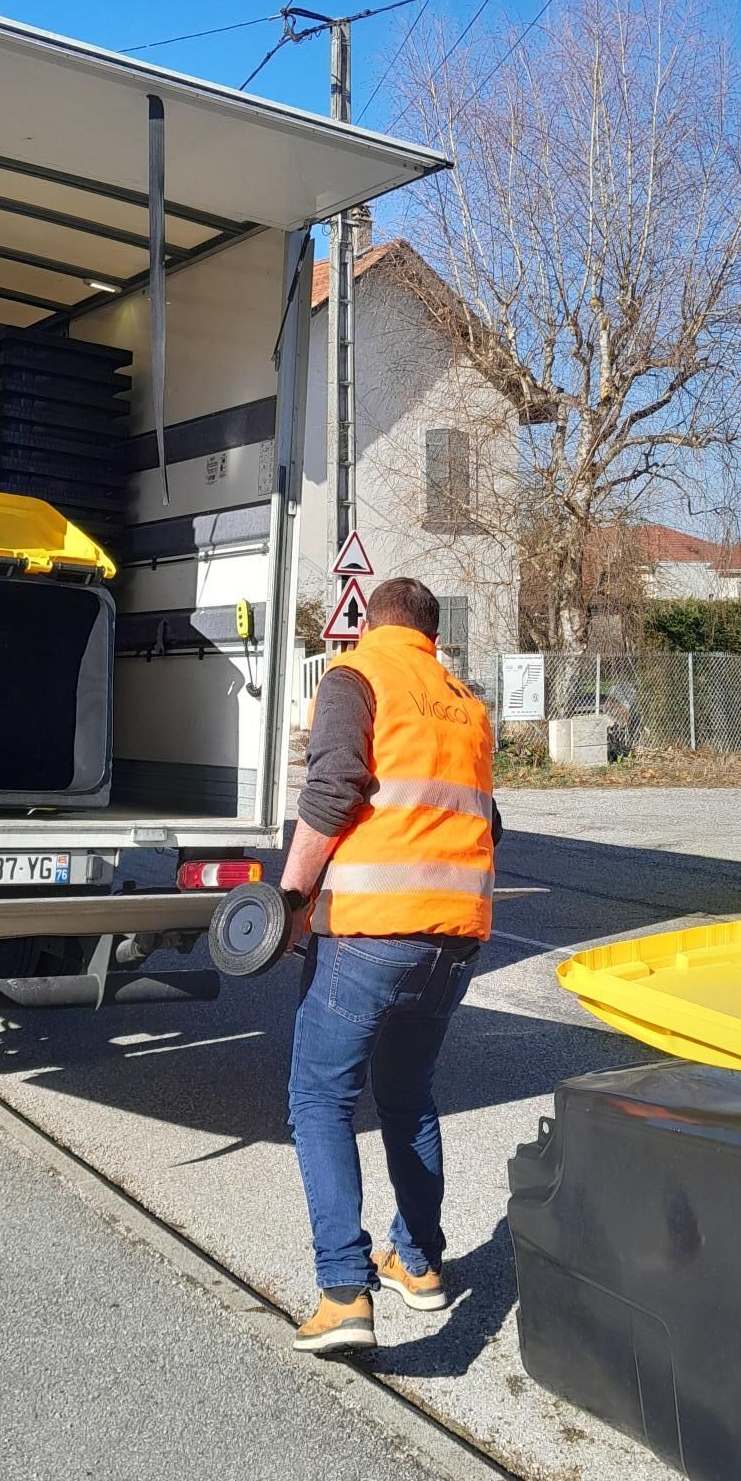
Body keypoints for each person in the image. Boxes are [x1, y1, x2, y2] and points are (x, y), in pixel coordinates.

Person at [279, 577, 498, 1356]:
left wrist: (291, 897)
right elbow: (487, 820)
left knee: (319, 1099)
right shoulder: (466, 704)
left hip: (369, 932)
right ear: (432, 635)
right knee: (407, 1098)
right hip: (455, 939)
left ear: (368, 625)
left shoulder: (357, 675)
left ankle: (344, 1293)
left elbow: (334, 787)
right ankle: (418, 1262)